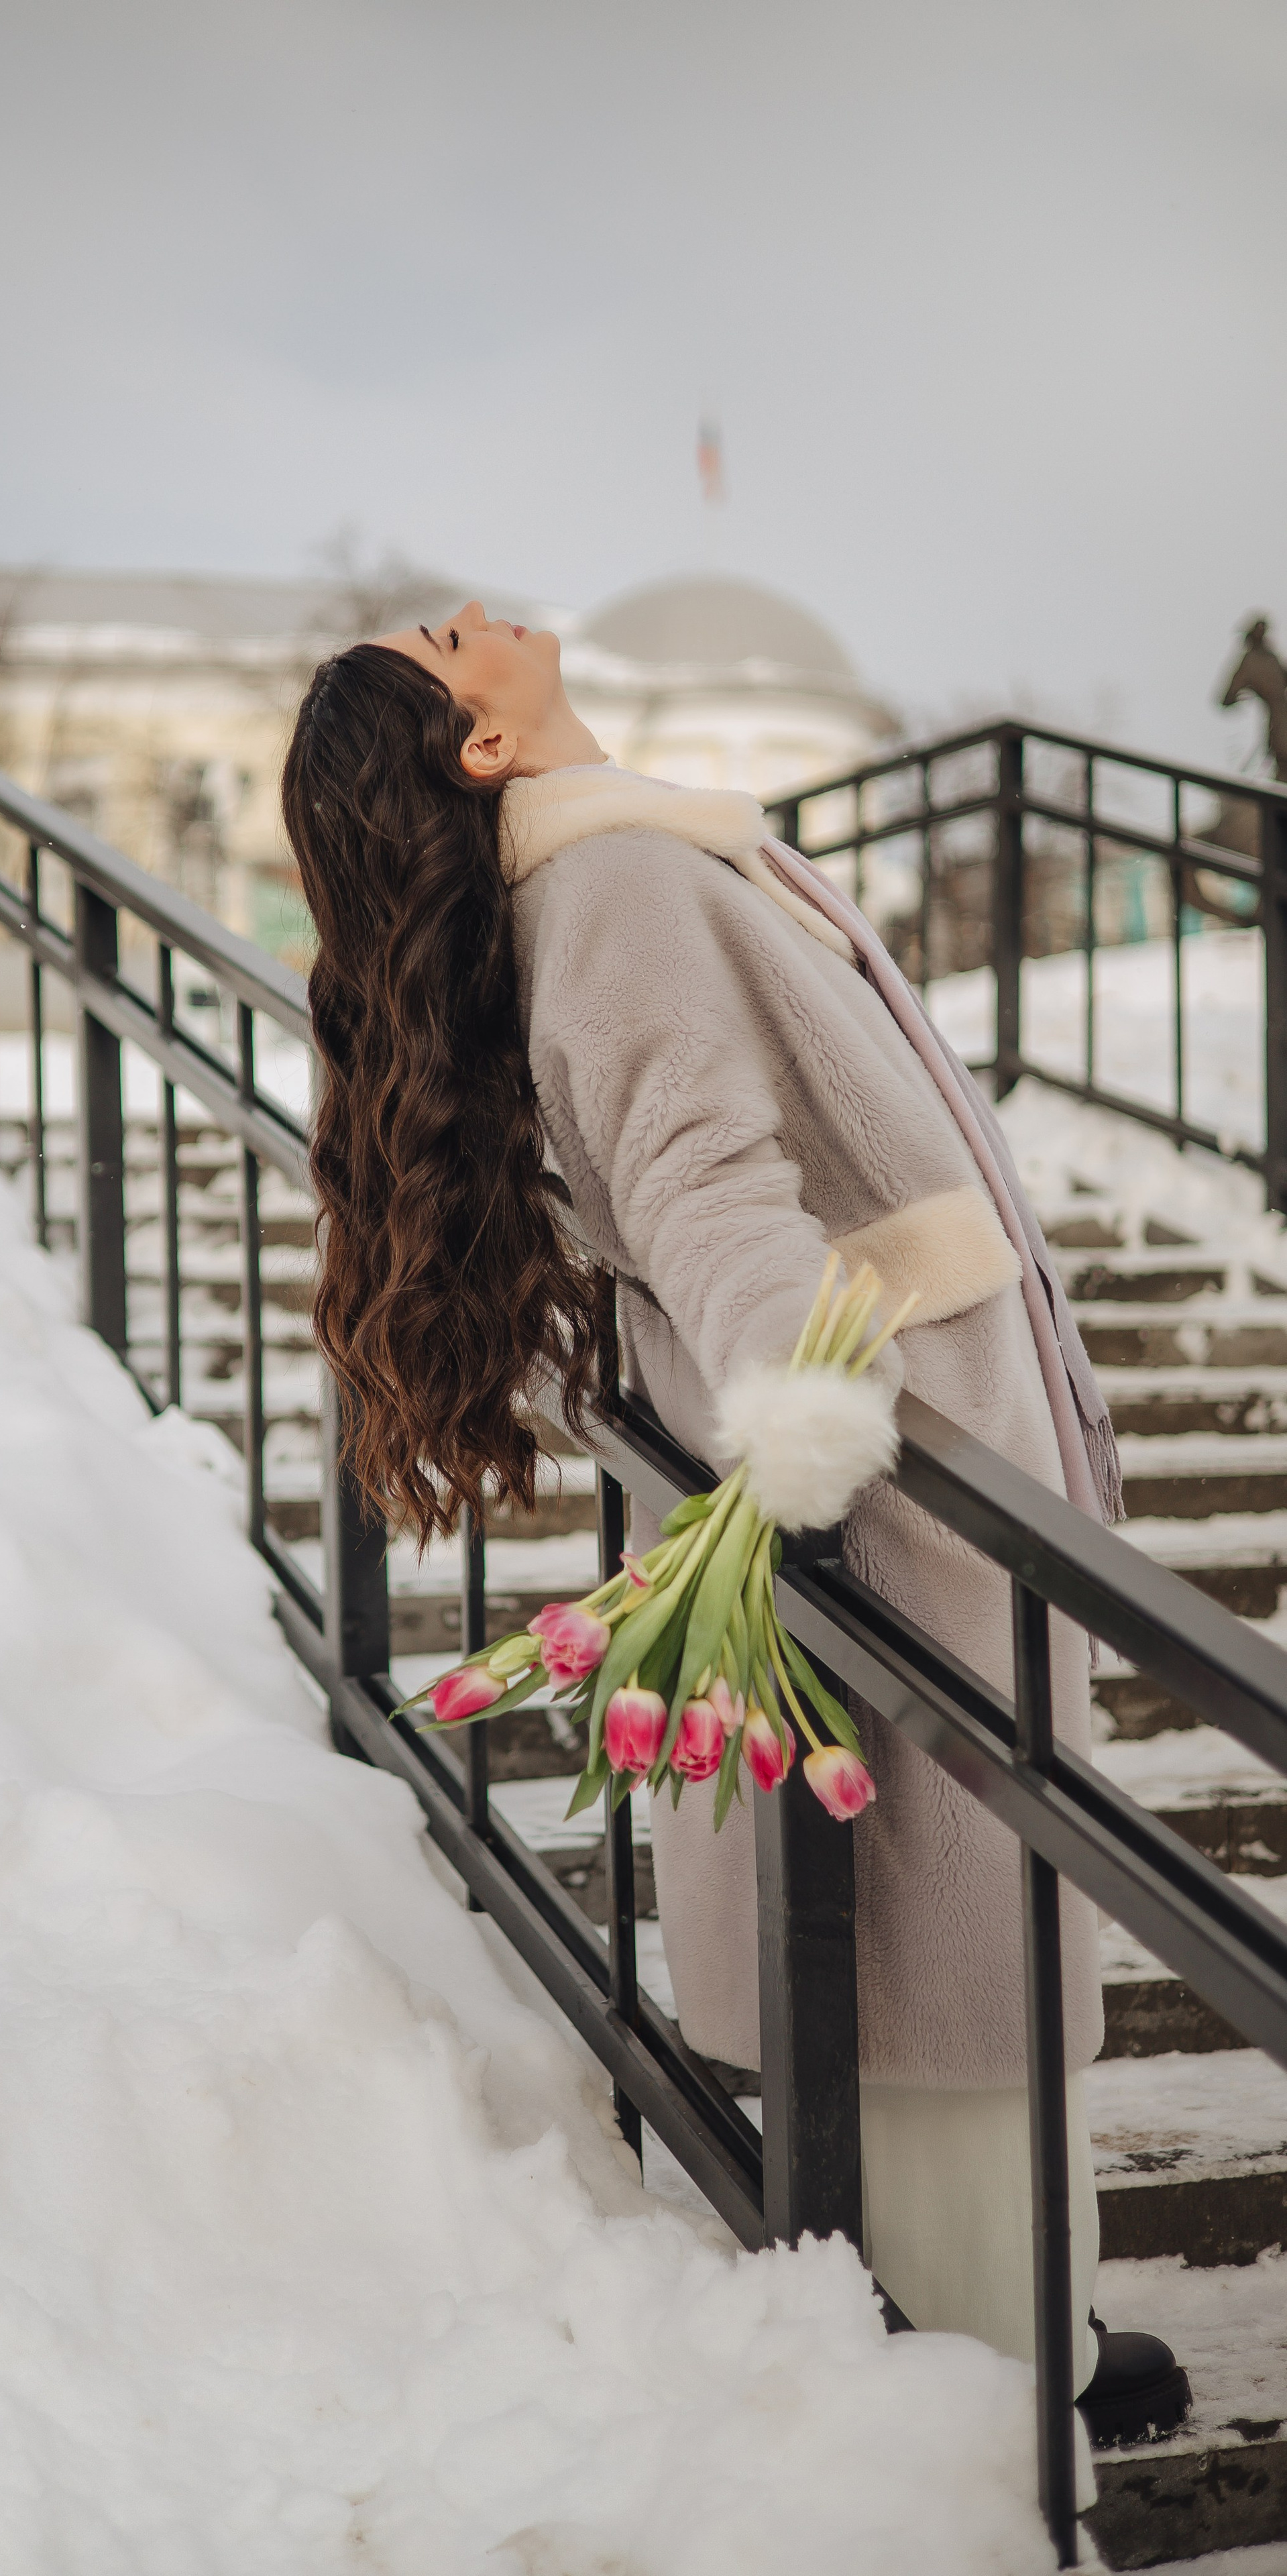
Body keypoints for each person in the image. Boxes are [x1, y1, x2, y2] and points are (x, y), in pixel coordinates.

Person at [280, 602, 1190, 2450]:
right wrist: (802, 1407)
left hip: (915, 1435)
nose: (482, 611)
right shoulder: (613, 883)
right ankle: (995, 2362)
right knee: (949, 1937)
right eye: (447, 637)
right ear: (477, 743)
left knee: (944, 1925)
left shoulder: (612, 861)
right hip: (902, 1461)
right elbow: (699, 1174)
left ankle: (1006, 2309)